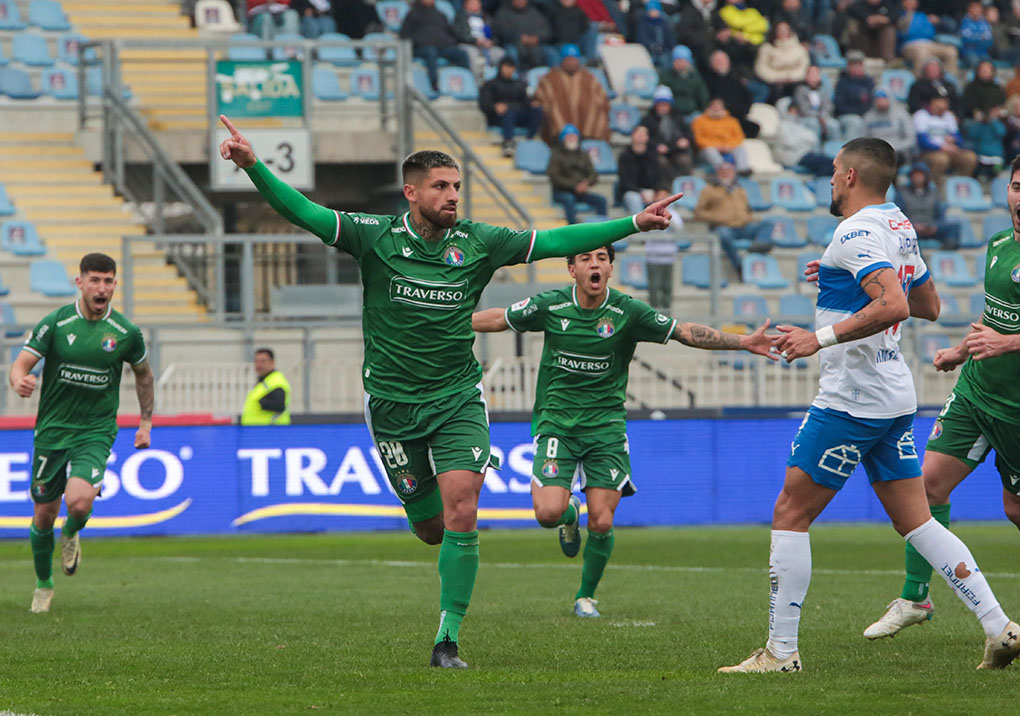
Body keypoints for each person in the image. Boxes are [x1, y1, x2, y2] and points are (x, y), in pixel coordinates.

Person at [218, 114, 683, 667]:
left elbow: (557, 239)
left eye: (457, 186)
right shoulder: (375, 236)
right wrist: (253, 166)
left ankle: (448, 638)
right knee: (432, 527)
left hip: (459, 397)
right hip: (391, 406)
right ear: (411, 192)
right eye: (440, 187)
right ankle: (439, 551)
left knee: (463, 508)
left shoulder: (480, 242)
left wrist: (630, 223)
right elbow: (305, 212)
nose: (452, 196)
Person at [720, 137, 1020, 674]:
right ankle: (1000, 626)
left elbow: (897, 303)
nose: (831, 179)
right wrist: (841, 276)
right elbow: (928, 304)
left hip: (851, 400)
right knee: (918, 521)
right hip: (892, 394)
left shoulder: (856, 230)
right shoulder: (897, 224)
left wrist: (820, 337)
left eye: (836, 171)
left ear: (852, 175)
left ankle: (781, 653)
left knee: (791, 512)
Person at [470, 245, 775, 617]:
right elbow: (499, 318)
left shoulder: (628, 312)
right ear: (572, 270)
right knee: (547, 513)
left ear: (611, 268)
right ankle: (569, 514)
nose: (595, 264)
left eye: (602, 258)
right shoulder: (551, 305)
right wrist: (451, 321)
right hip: (556, 426)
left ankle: (585, 596)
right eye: (586, 259)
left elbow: (684, 332)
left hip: (606, 430)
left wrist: (742, 341)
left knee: (602, 520)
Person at [863, 155, 1020, 641]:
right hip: (976, 391)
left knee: (1014, 510)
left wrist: (1009, 343)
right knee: (926, 487)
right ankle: (915, 597)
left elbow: (1008, 334)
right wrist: (960, 349)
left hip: (1017, 410)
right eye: (1017, 186)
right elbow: (997, 318)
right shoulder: (998, 245)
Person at [9, 253, 154, 615]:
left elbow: (144, 376)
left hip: (96, 430)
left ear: (114, 285)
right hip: (53, 430)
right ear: (80, 283)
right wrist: (19, 381)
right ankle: (43, 585)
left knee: (78, 501)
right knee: (43, 514)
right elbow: (21, 364)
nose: (101, 287)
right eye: (94, 280)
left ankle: (72, 531)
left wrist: (146, 421)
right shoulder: (57, 323)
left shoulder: (125, 333)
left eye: (107, 281)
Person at [694, 162, 771, 274]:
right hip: (724, 227)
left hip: (743, 227)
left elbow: (747, 209)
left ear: (734, 174)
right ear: (718, 173)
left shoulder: (739, 189)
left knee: (768, 224)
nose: (726, 174)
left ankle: (755, 249)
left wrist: (748, 218)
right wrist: (717, 217)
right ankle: (738, 264)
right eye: (723, 172)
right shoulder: (709, 189)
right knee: (723, 235)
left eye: (729, 172)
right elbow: (698, 212)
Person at [535, 43, 610, 144]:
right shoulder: (549, 78)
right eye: (568, 59)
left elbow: (603, 99)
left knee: (596, 107)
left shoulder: (589, 78)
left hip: (587, 129)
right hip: (557, 134)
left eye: (574, 59)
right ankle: (561, 137)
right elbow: (540, 98)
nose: (571, 63)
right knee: (553, 106)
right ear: (562, 60)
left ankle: (588, 138)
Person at [400, 0, 471, 92]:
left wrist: (450, 41)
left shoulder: (440, 15)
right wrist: (423, 41)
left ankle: (467, 83)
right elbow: (404, 35)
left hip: (441, 48)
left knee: (462, 54)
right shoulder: (412, 15)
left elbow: (450, 32)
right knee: (430, 52)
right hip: (420, 49)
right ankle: (434, 83)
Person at [479, 57, 543, 156]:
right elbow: (484, 104)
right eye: (506, 67)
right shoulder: (490, 84)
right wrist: (494, 106)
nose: (509, 70)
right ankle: (508, 143)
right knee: (508, 113)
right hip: (498, 116)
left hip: (517, 113)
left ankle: (529, 140)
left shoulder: (520, 84)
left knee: (537, 110)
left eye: (511, 67)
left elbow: (525, 102)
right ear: (501, 68)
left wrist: (532, 104)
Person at [914, 92, 978, 188]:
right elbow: (922, 141)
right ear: (932, 103)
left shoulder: (948, 116)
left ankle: (958, 187)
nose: (942, 108)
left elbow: (959, 139)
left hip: (950, 150)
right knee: (942, 160)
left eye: (944, 104)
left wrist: (954, 140)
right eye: (938, 104)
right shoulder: (921, 115)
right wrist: (941, 147)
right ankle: (937, 189)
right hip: (929, 152)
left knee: (970, 157)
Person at [548, 124, 608, 224]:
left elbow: (593, 173)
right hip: (561, 192)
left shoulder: (583, 154)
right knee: (569, 199)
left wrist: (587, 183)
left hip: (581, 191)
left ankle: (603, 229)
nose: (572, 139)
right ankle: (573, 229)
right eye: (569, 136)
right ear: (563, 138)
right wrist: (574, 186)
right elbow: (555, 177)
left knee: (601, 200)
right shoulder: (556, 154)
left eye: (574, 136)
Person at [893, 161, 960, 249]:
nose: (918, 177)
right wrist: (913, 225)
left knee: (954, 226)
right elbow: (898, 215)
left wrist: (935, 226)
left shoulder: (934, 193)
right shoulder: (902, 193)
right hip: (912, 228)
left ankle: (947, 252)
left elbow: (940, 214)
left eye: (920, 174)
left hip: (931, 226)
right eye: (915, 175)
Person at [640, 85, 694, 178]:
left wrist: (685, 140)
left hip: (676, 150)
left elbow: (689, 133)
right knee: (661, 162)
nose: (663, 107)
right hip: (656, 153)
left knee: (685, 160)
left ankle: (684, 184)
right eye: (661, 104)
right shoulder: (648, 120)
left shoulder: (678, 117)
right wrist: (656, 146)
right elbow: (644, 137)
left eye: (666, 104)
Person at [896, 0, 959, 79]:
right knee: (922, 53)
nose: (911, 4)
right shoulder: (899, 15)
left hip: (929, 43)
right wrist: (919, 30)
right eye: (909, 1)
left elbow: (930, 32)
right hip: (910, 45)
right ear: (903, 3)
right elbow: (903, 34)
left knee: (951, 51)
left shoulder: (922, 15)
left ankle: (949, 82)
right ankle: (920, 82)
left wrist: (916, 31)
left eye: (913, 2)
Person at [492, 0, 557, 71]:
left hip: (536, 45)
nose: (520, 1)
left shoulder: (533, 12)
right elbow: (500, 31)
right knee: (512, 52)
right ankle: (514, 78)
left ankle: (554, 78)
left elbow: (545, 29)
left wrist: (537, 38)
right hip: (513, 44)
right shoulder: (503, 12)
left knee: (551, 52)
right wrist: (519, 37)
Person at [753, 20, 810, 102]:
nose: (783, 32)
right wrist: (777, 78)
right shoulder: (766, 48)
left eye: (785, 30)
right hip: (772, 82)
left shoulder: (799, 49)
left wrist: (791, 76)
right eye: (780, 30)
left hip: (794, 80)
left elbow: (804, 66)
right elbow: (761, 67)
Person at [690, 97, 750, 174]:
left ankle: (742, 170)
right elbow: (698, 139)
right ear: (709, 106)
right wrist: (716, 146)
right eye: (714, 105)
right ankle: (723, 169)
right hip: (707, 150)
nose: (716, 108)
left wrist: (727, 146)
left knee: (740, 149)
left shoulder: (732, 121)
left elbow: (739, 137)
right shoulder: (699, 121)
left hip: (728, 148)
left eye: (719, 106)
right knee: (710, 151)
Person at [452, 0, 506, 78]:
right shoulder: (460, 17)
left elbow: (495, 34)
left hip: (486, 46)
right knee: (472, 55)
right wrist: (475, 41)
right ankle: (476, 83)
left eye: (477, 3)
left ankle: (497, 81)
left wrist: (491, 42)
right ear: (465, 5)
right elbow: (459, 34)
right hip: (468, 45)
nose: (475, 5)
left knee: (501, 54)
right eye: (472, 3)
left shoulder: (486, 18)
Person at [863, 88, 916, 165]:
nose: (881, 101)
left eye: (884, 98)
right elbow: (863, 139)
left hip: (897, 151)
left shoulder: (901, 114)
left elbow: (910, 139)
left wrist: (893, 148)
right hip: (875, 152)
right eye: (878, 99)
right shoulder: (868, 117)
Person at [241, 348, 292, 425]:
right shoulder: (265, 382)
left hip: (270, 431)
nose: (259, 365)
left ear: (272, 362)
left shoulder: (276, 381)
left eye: (263, 361)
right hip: (258, 431)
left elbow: (279, 405)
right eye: (256, 361)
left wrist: (262, 402)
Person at [657, 44, 709, 118]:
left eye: (682, 60)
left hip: (693, 113)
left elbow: (703, 95)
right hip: (673, 114)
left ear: (688, 62)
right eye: (677, 60)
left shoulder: (695, 77)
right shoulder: (666, 76)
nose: (679, 63)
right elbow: (662, 94)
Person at [833, 50, 874, 141]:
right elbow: (839, 106)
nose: (857, 68)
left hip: (866, 114)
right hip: (846, 116)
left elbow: (872, 101)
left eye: (859, 64)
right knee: (855, 122)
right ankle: (850, 151)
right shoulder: (842, 82)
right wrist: (859, 112)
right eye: (853, 65)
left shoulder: (869, 82)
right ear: (848, 66)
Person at [792, 65, 840, 142]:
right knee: (814, 124)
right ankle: (816, 150)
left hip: (822, 116)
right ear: (806, 76)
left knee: (833, 125)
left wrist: (823, 116)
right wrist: (818, 117)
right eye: (811, 74)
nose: (813, 77)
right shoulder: (800, 90)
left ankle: (834, 150)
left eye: (816, 74)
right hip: (806, 117)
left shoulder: (824, 89)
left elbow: (827, 105)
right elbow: (803, 109)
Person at [960, 0, 993, 69]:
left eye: (977, 7)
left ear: (981, 9)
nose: (975, 9)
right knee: (975, 62)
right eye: (973, 7)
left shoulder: (985, 22)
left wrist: (974, 37)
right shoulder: (964, 21)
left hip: (983, 53)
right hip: (968, 52)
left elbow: (989, 41)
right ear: (969, 9)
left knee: (989, 64)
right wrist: (981, 37)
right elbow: (966, 40)